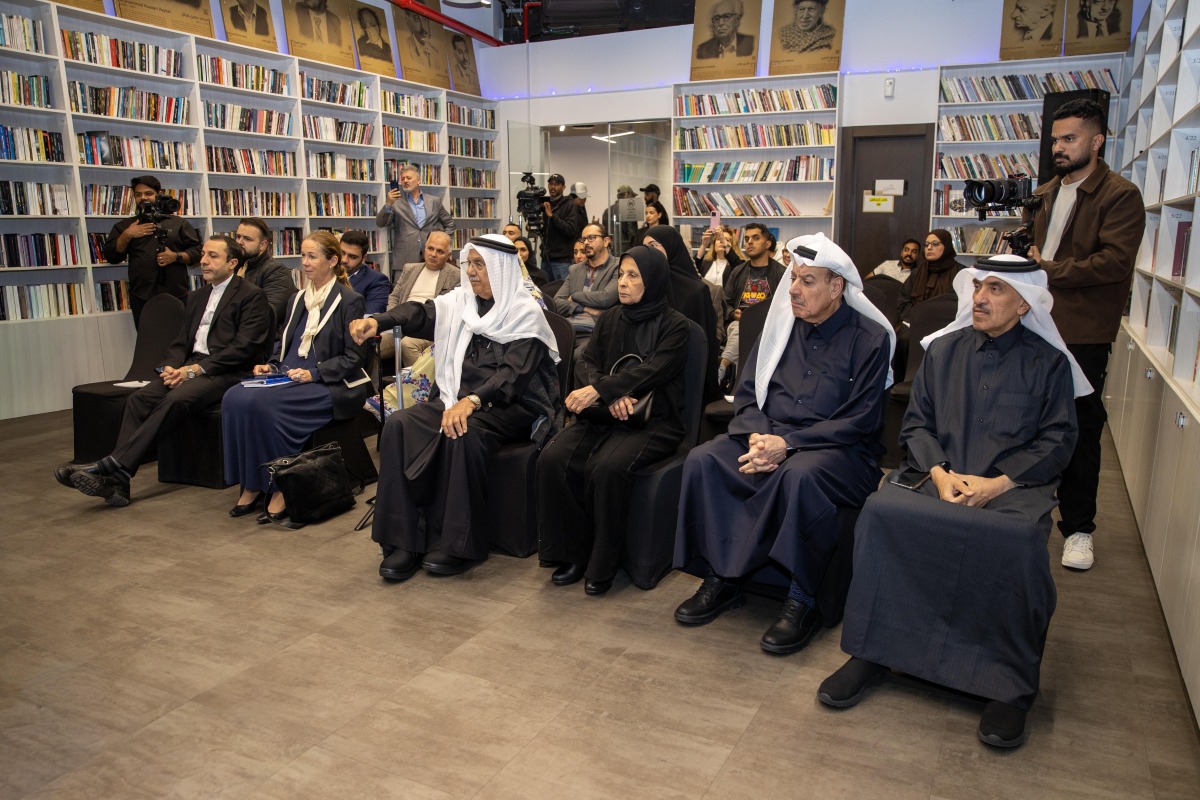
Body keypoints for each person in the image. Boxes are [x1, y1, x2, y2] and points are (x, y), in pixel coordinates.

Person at [820, 255, 1088, 750]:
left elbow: (1057, 441)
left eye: (995, 290)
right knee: (881, 514)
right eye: (977, 287)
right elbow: (916, 424)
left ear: (1024, 303)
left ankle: (1008, 685)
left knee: (1016, 543)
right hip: (937, 477)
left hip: (1012, 490)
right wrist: (941, 475)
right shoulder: (942, 351)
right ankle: (872, 652)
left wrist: (997, 484)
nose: (980, 298)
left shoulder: (1049, 365)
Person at [673, 233, 894, 654]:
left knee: (799, 477)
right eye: (793, 277)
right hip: (767, 437)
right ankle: (722, 576)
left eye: (808, 281)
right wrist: (758, 436)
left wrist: (787, 444)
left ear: (837, 287)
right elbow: (747, 394)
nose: (793, 289)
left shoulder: (869, 339)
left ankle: (802, 598)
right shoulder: (780, 328)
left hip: (839, 452)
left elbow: (860, 420)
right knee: (704, 459)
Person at [349, 235, 562, 580]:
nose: (473, 272)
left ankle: (458, 545)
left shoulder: (526, 313)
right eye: (469, 264)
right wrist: (379, 321)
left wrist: (473, 401)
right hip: (454, 398)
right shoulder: (460, 302)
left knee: (462, 432)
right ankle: (404, 541)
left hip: (510, 405)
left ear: (501, 269)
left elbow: (513, 376)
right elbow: (419, 313)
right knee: (400, 424)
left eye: (481, 265)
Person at [54, 236, 271, 506]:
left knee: (175, 399)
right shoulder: (196, 296)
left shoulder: (251, 296)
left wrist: (193, 370)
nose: (203, 260)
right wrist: (170, 366)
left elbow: (244, 348)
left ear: (232, 262)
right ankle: (117, 483)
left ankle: (112, 466)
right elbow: (180, 341)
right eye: (203, 254)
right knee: (139, 399)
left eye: (213, 256)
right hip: (189, 366)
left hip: (227, 372)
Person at [1026, 98, 1145, 570]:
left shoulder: (1120, 195)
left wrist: (1048, 269)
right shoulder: (1047, 191)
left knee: (1079, 428)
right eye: (1055, 139)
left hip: (1083, 331)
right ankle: (1024, 507)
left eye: (1069, 138)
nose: (1058, 147)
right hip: (1036, 319)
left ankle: (1078, 529)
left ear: (1096, 141)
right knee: (1030, 422)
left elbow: (1114, 262)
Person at [537, 246, 691, 595]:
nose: (623, 282)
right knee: (553, 458)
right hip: (607, 414)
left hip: (656, 421)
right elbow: (586, 361)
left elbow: (656, 369)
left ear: (652, 280)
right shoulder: (610, 318)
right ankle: (572, 553)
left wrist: (601, 390)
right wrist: (609, 393)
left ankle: (602, 562)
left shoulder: (676, 325)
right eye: (621, 274)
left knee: (606, 468)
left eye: (633, 275)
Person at [222, 231, 372, 522]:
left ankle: (280, 485)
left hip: (329, 383)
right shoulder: (297, 299)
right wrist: (271, 364)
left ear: (332, 260)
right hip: (289, 375)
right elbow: (284, 343)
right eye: (302, 255)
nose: (304, 262)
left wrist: (314, 372)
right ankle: (252, 482)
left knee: (266, 406)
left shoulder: (350, 300)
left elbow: (355, 358)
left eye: (311, 256)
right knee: (234, 397)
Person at [101, 175, 201, 328]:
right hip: (142, 296)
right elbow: (112, 256)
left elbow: (197, 252)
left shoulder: (178, 223)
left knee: (179, 340)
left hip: (175, 294)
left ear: (158, 194)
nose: (143, 198)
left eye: (148, 193)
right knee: (147, 343)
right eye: (138, 194)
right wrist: (128, 234)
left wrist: (176, 257)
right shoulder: (126, 226)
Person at [640, 224, 720, 402]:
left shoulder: (696, 291)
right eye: (645, 247)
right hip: (646, 365)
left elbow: (702, 343)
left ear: (671, 247)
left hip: (683, 371)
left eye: (653, 246)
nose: (648, 252)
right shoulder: (646, 285)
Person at [380, 230, 460, 364]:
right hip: (401, 323)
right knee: (371, 344)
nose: (433, 254)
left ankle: (422, 384)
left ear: (449, 255)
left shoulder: (457, 275)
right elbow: (394, 297)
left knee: (407, 345)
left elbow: (450, 310)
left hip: (429, 327)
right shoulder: (410, 269)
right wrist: (392, 318)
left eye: (440, 251)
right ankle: (374, 385)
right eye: (430, 248)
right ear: (424, 249)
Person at [719, 223, 786, 380]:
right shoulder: (738, 272)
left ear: (767, 243)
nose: (749, 242)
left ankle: (724, 366)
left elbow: (785, 307)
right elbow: (725, 303)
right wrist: (732, 313)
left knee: (747, 329)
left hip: (768, 324)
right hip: (739, 321)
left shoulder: (780, 273)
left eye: (756, 238)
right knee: (739, 327)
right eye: (747, 238)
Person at [375, 164, 454, 274]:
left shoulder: (434, 201)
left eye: (409, 178)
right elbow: (380, 223)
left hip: (431, 257)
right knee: (402, 291)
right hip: (404, 258)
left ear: (418, 180)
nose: (405, 181)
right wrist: (388, 204)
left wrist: (443, 242)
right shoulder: (396, 202)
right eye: (403, 179)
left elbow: (449, 222)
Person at [552, 223, 620, 339]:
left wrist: (574, 296)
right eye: (584, 240)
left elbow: (606, 298)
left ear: (606, 241)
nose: (586, 243)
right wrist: (584, 308)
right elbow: (556, 303)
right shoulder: (575, 269)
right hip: (567, 330)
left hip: (595, 333)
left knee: (579, 355)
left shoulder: (618, 267)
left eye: (591, 238)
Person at [231, 217, 296, 335]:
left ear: (263, 245)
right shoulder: (235, 267)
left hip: (264, 341)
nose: (239, 242)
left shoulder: (276, 271)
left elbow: (267, 316)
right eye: (238, 236)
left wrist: (239, 282)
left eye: (247, 239)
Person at [897, 229, 965, 322]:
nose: (929, 247)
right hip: (918, 321)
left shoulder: (961, 272)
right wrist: (918, 318)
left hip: (949, 324)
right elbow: (903, 302)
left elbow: (965, 306)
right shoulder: (917, 273)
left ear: (947, 246)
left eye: (935, 243)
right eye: (926, 244)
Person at [541, 173, 585, 281]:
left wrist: (552, 216)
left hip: (562, 261)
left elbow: (570, 229)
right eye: (550, 184)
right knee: (545, 292)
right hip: (545, 259)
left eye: (556, 184)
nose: (553, 187)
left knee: (562, 293)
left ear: (563, 187)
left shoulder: (570, 204)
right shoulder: (545, 203)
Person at [339, 229, 389, 314]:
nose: (344, 260)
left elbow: (370, 317)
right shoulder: (327, 271)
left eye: (352, 257)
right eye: (342, 253)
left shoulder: (377, 280)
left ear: (364, 258)